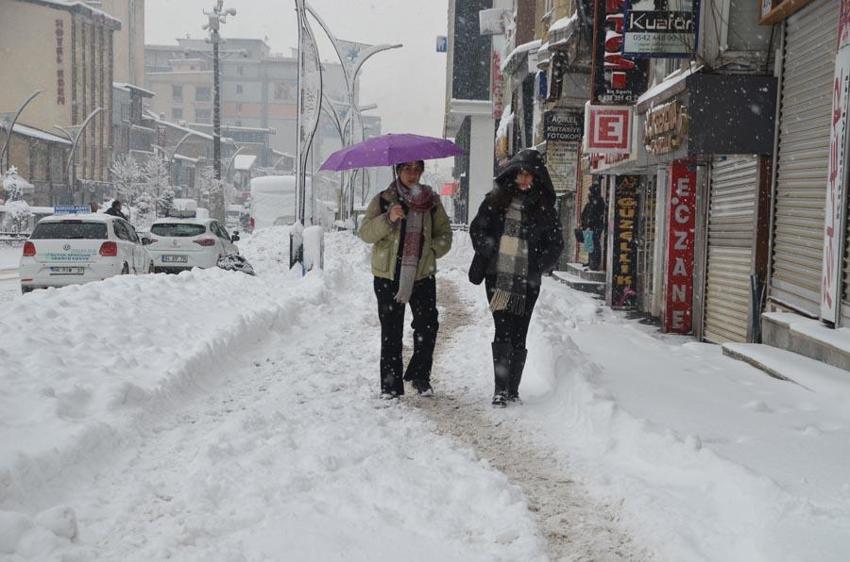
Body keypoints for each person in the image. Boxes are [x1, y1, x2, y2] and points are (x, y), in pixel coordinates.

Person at [469, 149, 564, 407]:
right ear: (513, 174)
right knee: (503, 329)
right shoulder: (494, 200)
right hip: (496, 277)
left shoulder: (544, 209)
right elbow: (477, 229)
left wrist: (538, 265)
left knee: (520, 332)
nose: (524, 180)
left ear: (537, 178)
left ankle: (513, 389)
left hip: (527, 281)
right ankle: (500, 390)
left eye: (529, 175)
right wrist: (489, 247)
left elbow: (556, 244)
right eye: (521, 174)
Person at [359, 160, 453, 399]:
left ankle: (420, 376)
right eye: (407, 169)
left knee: (427, 326)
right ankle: (390, 387)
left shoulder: (430, 201)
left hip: (421, 274)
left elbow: (445, 234)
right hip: (388, 276)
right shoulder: (383, 200)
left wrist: (431, 251)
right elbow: (366, 233)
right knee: (391, 331)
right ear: (398, 171)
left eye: (416, 169)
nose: (412, 174)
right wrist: (388, 218)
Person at [580, 182, 606, 271]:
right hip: (588, 227)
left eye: (590, 192)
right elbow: (585, 213)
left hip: (594, 226)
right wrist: (584, 223)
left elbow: (595, 215)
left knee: (595, 244)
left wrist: (590, 223)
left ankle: (594, 263)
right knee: (589, 244)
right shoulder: (590, 202)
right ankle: (590, 261)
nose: (588, 193)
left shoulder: (598, 201)